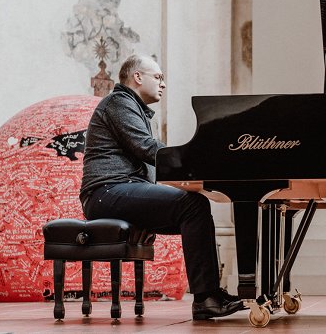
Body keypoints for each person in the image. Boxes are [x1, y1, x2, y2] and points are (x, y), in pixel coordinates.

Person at [80, 54, 244, 320]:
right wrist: (194, 160)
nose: (163, 84)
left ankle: (210, 293)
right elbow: (147, 148)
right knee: (192, 204)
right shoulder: (119, 102)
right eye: (158, 77)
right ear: (137, 77)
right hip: (105, 193)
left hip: (120, 190)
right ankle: (205, 298)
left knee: (195, 209)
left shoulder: (135, 109)